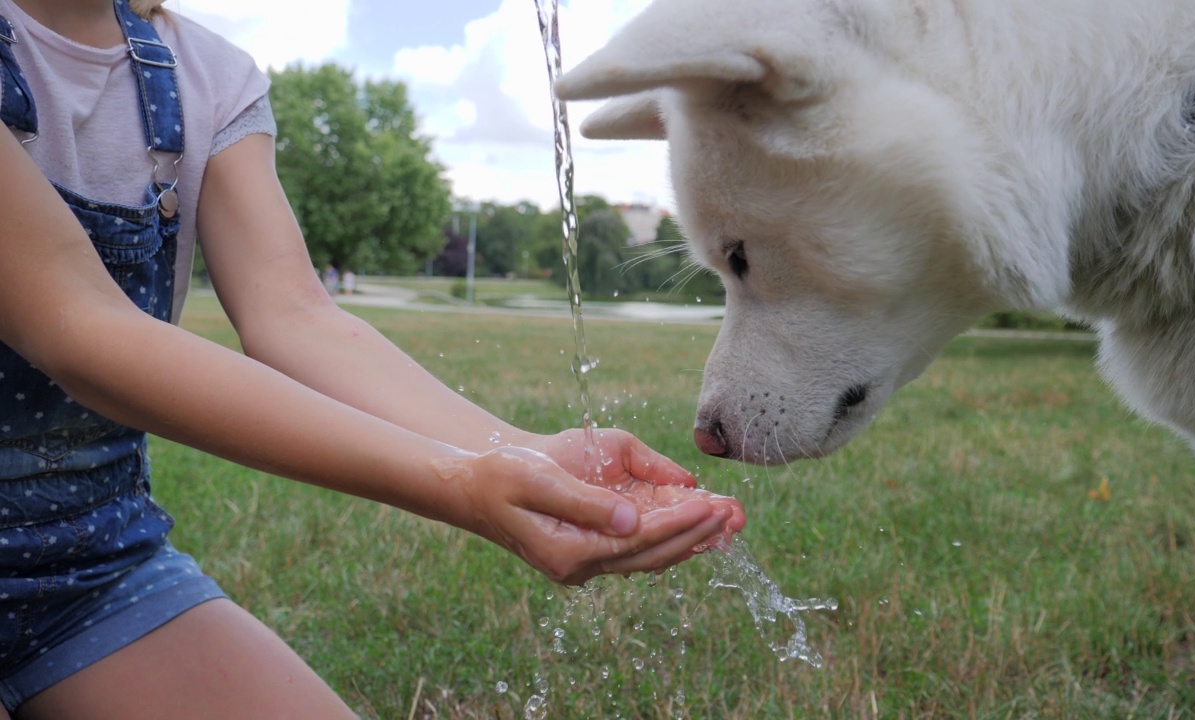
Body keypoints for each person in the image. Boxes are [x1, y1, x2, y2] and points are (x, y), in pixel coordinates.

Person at [0, 1, 745, 718]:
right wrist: (459, 485)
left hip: (91, 567)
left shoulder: (204, 76)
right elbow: (76, 324)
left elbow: (295, 316)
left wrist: (523, 452)